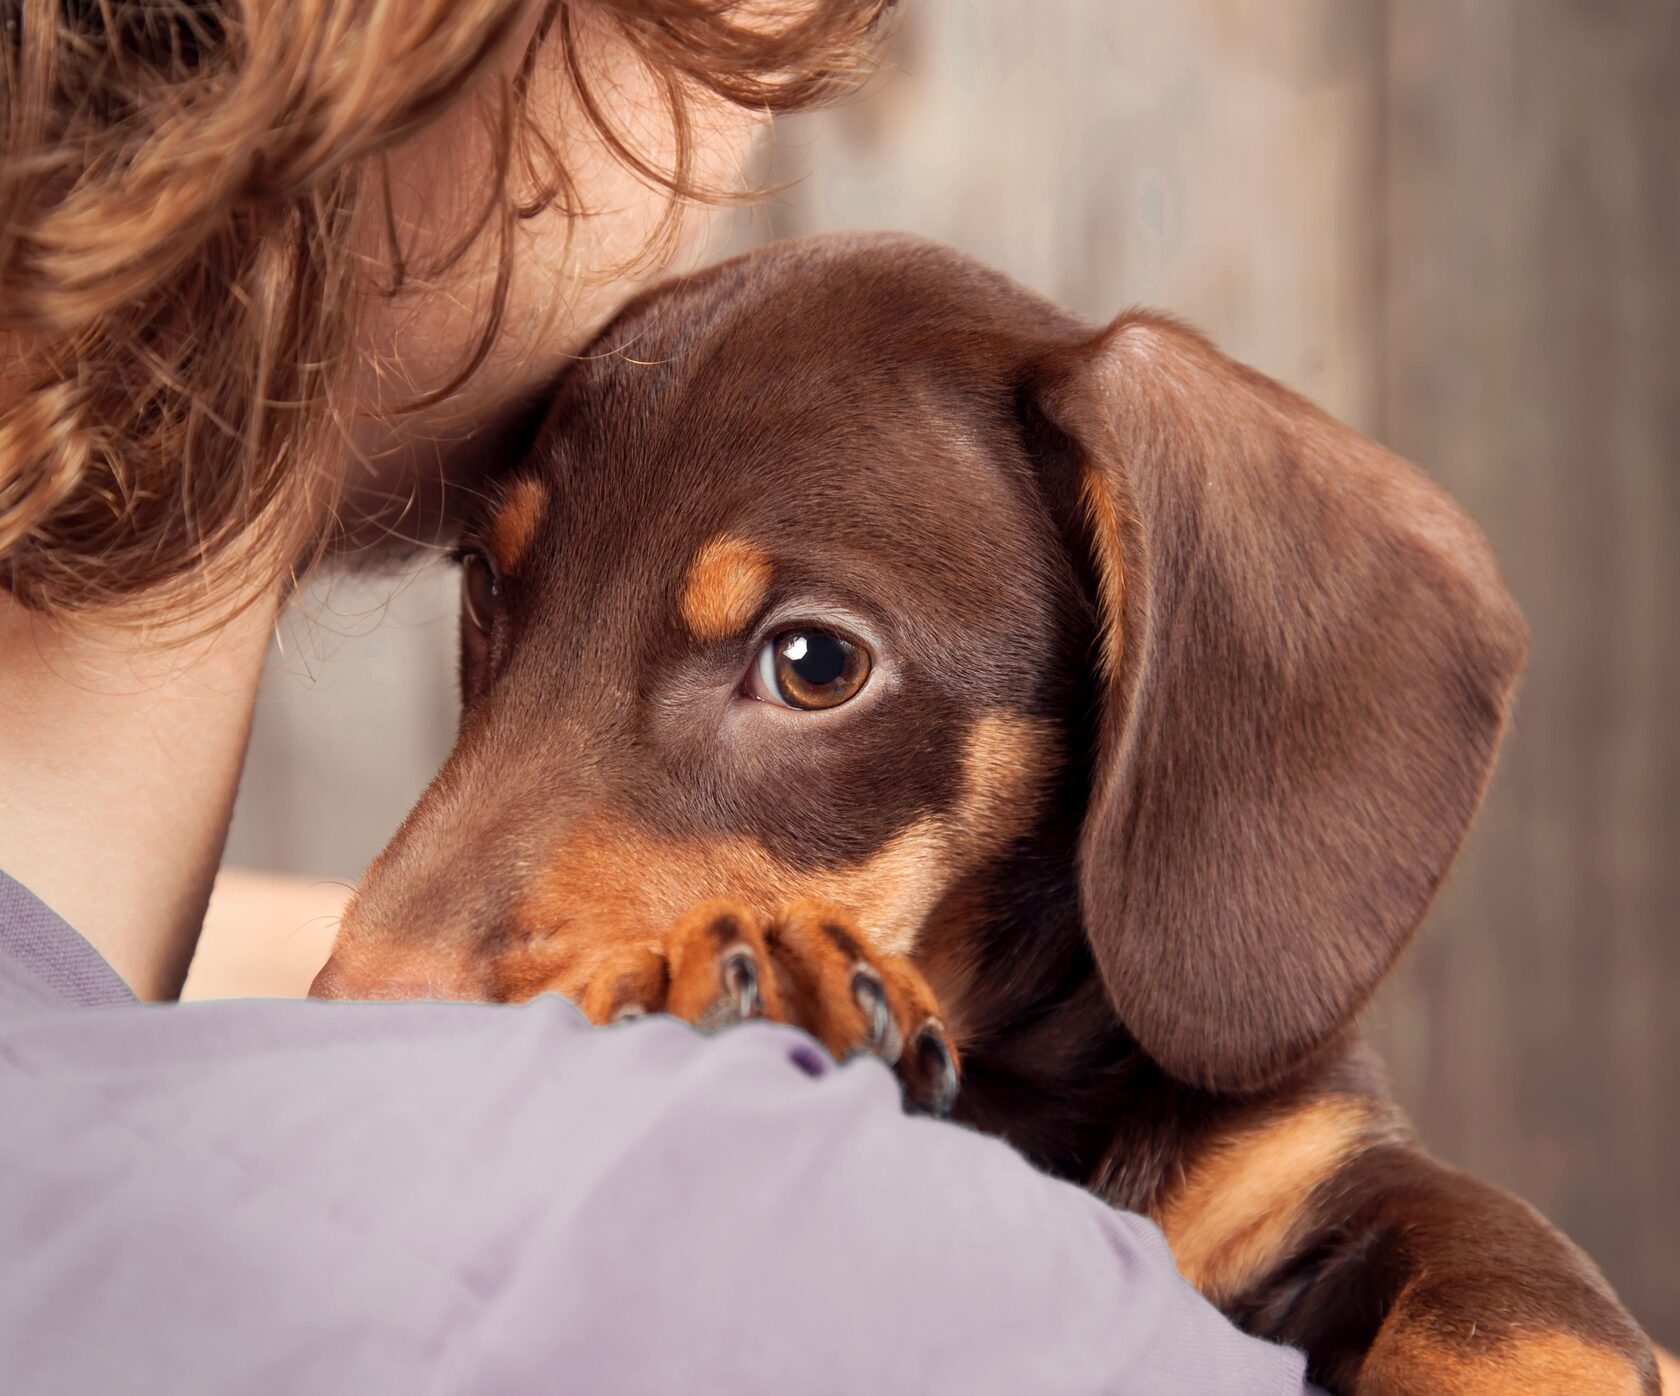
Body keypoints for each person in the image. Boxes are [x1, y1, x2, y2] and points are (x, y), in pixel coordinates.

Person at [0, 5, 1315, 1391]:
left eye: (810, 665)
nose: (729, 143)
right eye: (726, 37)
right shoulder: (819, 1262)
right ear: (390, 51)